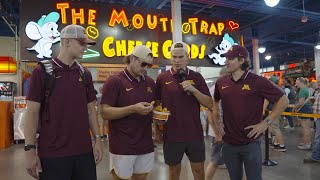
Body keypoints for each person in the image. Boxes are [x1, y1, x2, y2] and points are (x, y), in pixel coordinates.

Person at [24, 24, 103, 180]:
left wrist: (97, 140)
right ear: (66, 42)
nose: (85, 47)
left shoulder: (84, 74)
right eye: (81, 43)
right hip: (53, 154)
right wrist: (30, 150)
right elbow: (32, 112)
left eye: (86, 44)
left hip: (84, 153)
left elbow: (91, 110)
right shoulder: (42, 72)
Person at [213, 45, 288, 180]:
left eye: (230, 59)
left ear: (242, 61)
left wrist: (265, 123)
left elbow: (283, 101)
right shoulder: (221, 82)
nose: (226, 62)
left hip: (251, 143)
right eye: (226, 58)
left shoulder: (258, 81)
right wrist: (217, 120)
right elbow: (215, 101)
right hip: (229, 143)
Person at [155, 42, 213, 180]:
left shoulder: (197, 77)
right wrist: (157, 130)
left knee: (199, 171)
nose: (177, 60)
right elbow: (157, 105)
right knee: (174, 172)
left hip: (194, 134)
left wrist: (194, 90)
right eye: (174, 57)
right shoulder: (162, 78)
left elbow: (209, 103)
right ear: (170, 58)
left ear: (187, 58)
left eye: (181, 57)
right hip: (172, 134)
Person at [100, 45, 155, 180]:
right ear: (132, 59)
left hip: (145, 143)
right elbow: (105, 112)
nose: (145, 68)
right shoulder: (114, 81)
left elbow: (154, 108)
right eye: (143, 64)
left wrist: (158, 118)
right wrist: (133, 109)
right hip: (122, 145)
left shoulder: (149, 82)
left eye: (149, 65)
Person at [205, 66, 228, 180]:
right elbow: (210, 114)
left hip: (229, 132)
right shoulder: (215, 89)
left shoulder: (227, 87)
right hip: (219, 133)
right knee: (214, 161)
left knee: (236, 162)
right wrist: (217, 133)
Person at [264, 76, 287, 152]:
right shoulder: (281, 89)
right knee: (277, 128)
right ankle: (276, 143)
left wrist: (262, 111)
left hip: (274, 111)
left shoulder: (272, 90)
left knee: (275, 129)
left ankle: (282, 146)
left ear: (272, 82)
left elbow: (267, 101)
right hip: (281, 111)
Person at [304, 76, 320, 164]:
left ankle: (315, 157)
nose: (318, 83)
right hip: (317, 117)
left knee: (318, 138)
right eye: (318, 82)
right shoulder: (317, 91)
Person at [294, 77, 313, 150]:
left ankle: (306, 144)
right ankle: (308, 142)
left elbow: (300, 102)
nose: (296, 85)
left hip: (303, 109)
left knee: (305, 128)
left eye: (297, 83)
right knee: (307, 128)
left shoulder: (302, 91)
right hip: (308, 109)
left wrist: (295, 107)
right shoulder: (308, 89)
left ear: (302, 83)